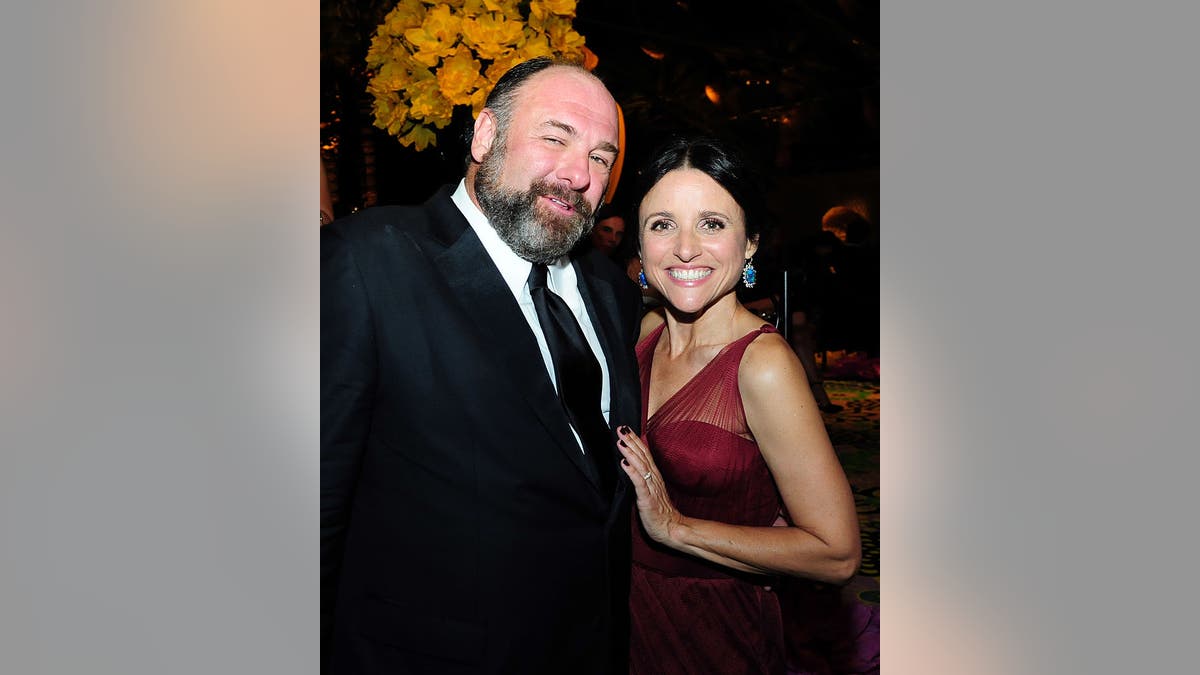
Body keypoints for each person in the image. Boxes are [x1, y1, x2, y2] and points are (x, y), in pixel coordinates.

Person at [321, 57, 643, 674]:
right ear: (484, 135)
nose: (578, 173)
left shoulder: (609, 291)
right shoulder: (367, 263)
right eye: (555, 137)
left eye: (601, 158)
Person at [612, 136, 862, 674]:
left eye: (711, 224)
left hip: (710, 631)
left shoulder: (761, 364)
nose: (685, 248)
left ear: (749, 243)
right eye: (662, 224)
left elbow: (837, 553)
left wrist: (677, 527)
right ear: (638, 242)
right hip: (623, 615)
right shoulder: (646, 333)